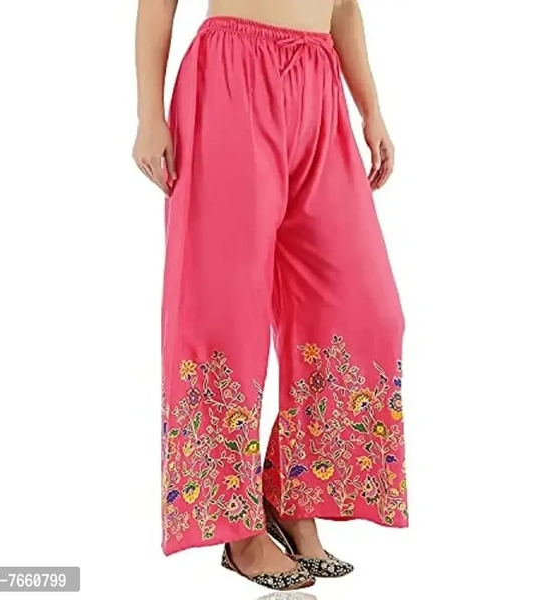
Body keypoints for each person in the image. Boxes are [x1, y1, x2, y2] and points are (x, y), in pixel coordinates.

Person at [133, 0, 407, 591]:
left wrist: (371, 110)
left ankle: (292, 488)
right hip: (230, 76)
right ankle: (237, 527)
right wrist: (148, 114)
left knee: (367, 313)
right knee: (223, 308)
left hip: (319, 84)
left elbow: (344, 6)